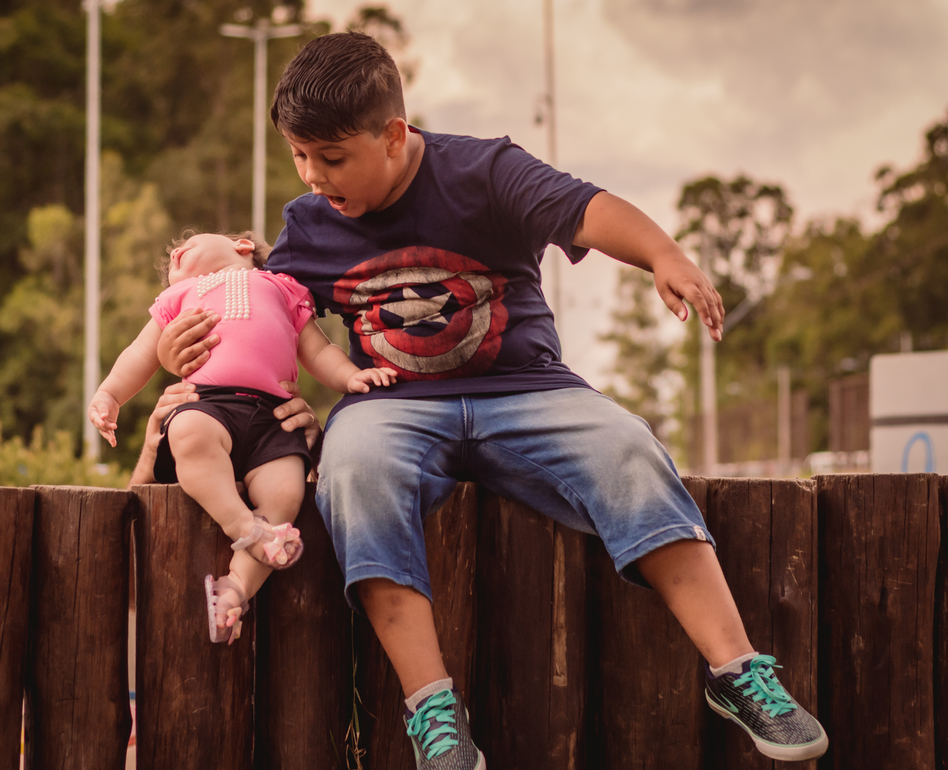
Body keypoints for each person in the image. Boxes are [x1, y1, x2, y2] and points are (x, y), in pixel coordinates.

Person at [157, 32, 828, 767]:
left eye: (333, 157)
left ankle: (737, 671)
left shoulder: (482, 171)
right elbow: (262, 322)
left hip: (527, 391)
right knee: (353, 473)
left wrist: (664, 255)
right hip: (393, 407)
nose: (314, 176)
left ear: (393, 135)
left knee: (630, 449)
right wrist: (214, 383)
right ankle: (434, 711)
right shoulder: (310, 225)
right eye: (299, 155)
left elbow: (590, 209)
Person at [89, 230, 395, 644]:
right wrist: (110, 394)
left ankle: (236, 588)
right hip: (208, 403)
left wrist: (352, 376)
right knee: (190, 434)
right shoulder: (181, 297)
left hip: (273, 416)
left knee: (286, 492)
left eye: (187, 244)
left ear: (243, 245)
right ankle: (246, 528)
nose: (174, 255)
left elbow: (320, 352)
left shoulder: (283, 288)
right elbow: (139, 354)